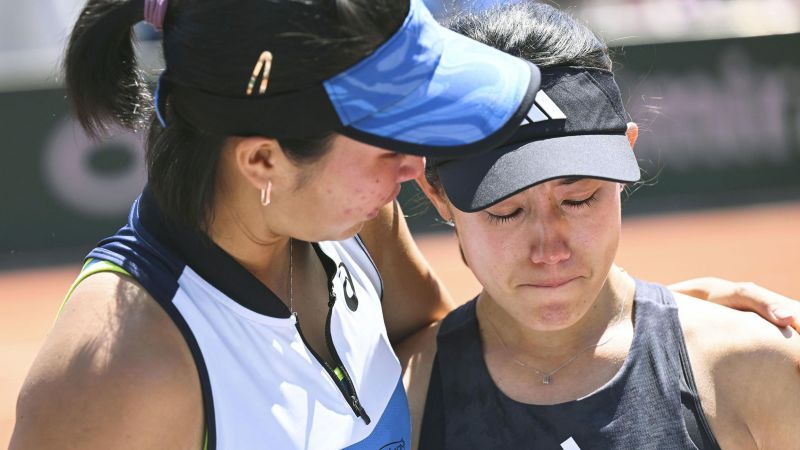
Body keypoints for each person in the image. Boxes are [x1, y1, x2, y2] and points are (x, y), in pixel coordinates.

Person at [10, 1, 797, 450]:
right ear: (262, 162)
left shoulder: (355, 221)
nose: (417, 165)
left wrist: (640, 324)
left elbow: (446, 347)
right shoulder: (117, 377)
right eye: (391, 140)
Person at [403, 3, 800, 449]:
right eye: (506, 211)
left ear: (628, 152)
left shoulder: (750, 366)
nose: (550, 250)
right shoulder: (400, 395)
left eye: (579, 199)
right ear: (437, 194)